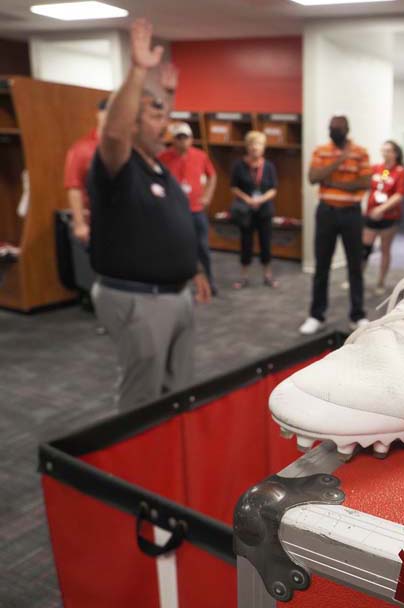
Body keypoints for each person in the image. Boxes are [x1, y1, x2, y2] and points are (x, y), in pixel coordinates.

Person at [88, 18, 211, 410]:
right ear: (132, 125)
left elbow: (168, 225)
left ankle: (168, 465)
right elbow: (115, 134)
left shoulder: (158, 165)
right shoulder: (117, 169)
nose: (168, 125)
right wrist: (139, 71)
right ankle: (131, 469)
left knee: (177, 393)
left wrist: (193, 266)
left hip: (175, 293)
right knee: (142, 399)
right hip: (138, 299)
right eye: (157, 117)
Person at [300, 115, 371, 335]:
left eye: (338, 128)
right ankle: (316, 315)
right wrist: (339, 162)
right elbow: (313, 177)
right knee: (321, 266)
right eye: (331, 128)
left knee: (355, 266)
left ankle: (357, 315)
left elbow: (365, 182)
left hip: (351, 214)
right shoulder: (321, 151)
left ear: (347, 129)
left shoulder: (361, 152)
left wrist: (332, 181)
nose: (334, 131)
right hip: (326, 213)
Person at [158, 121, 218, 294]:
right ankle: (176, 283)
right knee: (174, 248)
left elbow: (212, 176)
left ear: (191, 139)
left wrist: (207, 195)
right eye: (179, 138)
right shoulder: (163, 157)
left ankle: (209, 280)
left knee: (203, 247)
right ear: (174, 140)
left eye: (186, 138)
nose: (183, 141)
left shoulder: (200, 155)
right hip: (173, 212)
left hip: (196, 210)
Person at [230, 131, 278, 289]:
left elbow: (273, 189)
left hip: (264, 210)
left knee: (266, 243)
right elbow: (233, 187)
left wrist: (261, 199)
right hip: (246, 210)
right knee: (246, 243)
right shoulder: (239, 165)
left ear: (263, 148)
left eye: (258, 145)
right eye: (252, 144)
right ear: (247, 147)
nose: (255, 148)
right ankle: (244, 277)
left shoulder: (269, 166)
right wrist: (248, 199)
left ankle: (268, 275)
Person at [363, 140, 404, 295]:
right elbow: (372, 186)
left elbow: (399, 195)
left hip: (389, 217)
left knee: (384, 249)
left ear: (395, 153)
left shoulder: (400, 171)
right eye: (384, 150)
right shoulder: (377, 169)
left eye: (389, 150)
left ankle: (381, 281)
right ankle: (357, 278)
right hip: (371, 215)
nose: (385, 153)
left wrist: (382, 209)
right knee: (364, 248)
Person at [64, 98, 107, 246]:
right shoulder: (82, 148)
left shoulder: (128, 146)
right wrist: (80, 224)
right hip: (96, 220)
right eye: (106, 112)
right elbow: (74, 188)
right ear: (99, 114)